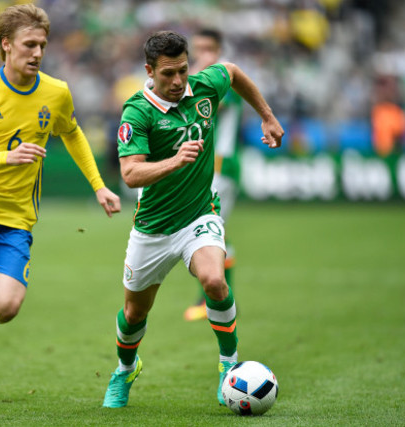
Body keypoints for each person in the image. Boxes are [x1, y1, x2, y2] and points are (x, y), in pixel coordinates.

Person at [0, 3, 121, 403]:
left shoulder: (57, 92)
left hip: (15, 217)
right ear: (6, 45)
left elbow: (73, 133)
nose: (37, 52)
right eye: (29, 44)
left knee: (7, 306)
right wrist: (2, 158)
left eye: (42, 45)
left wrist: (99, 185)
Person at [101, 31, 283, 409]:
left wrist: (266, 116)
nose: (178, 81)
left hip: (201, 214)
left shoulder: (203, 87)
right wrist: (174, 161)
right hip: (152, 227)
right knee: (135, 313)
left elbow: (231, 72)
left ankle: (228, 368)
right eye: (168, 74)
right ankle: (124, 369)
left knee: (214, 280)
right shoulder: (137, 111)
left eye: (183, 70)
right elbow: (131, 175)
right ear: (149, 71)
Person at [183, 28, 244, 322]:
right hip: (207, 168)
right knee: (213, 231)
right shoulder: (198, 78)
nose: (203, 54)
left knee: (208, 231)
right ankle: (217, 298)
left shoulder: (224, 79)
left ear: (219, 50)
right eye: (198, 48)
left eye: (209, 48)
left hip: (222, 167)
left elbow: (204, 105)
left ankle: (213, 300)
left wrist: (196, 70)